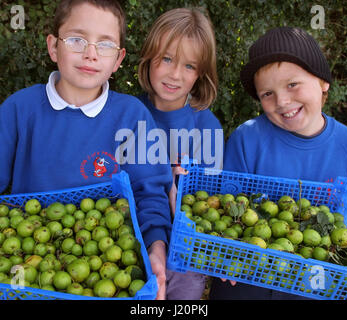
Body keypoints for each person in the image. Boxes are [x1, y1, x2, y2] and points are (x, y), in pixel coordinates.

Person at [0, 0, 173, 300]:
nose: (90, 53)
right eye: (77, 39)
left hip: (106, 276)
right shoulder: (21, 109)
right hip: (26, 274)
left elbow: (150, 192)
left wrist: (156, 247)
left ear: (118, 60)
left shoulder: (132, 116)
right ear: (53, 47)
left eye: (105, 45)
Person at [209, 26, 347, 300]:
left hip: (316, 280)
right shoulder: (246, 139)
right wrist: (228, 252)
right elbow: (228, 205)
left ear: (323, 82)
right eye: (267, 94)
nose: (283, 101)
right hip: (249, 277)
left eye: (292, 85)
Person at [137, 7, 224, 299]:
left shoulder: (206, 126)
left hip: (184, 258)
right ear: (149, 57)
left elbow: (209, 208)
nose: (175, 74)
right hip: (132, 244)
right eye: (167, 59)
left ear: (200, 74)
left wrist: (181, 190)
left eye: (189, 66)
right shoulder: (128, 114)